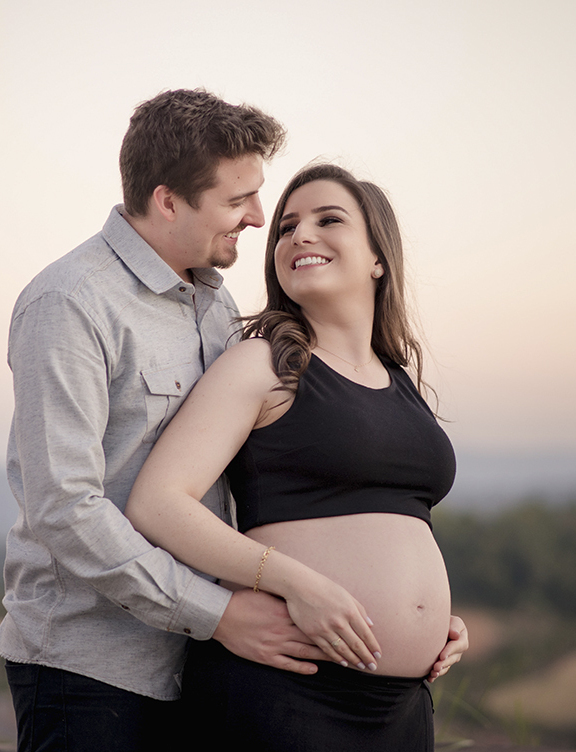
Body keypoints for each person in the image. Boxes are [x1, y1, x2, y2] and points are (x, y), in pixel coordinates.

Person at [0, 91, 467, 752]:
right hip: (94, 663)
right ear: (168, 200)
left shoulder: (213, 310)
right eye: (239, 199)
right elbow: (67, 508)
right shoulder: (71, 301)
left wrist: (424, 615)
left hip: (202, 653)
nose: (260, 218)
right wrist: (222, 613)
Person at [126, 162, 460, 751]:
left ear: (379, 256)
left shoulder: (402, 382)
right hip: (290, 689)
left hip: (401, 708)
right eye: (286, 227)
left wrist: (434, 620)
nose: (299, 235)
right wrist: (300, 584)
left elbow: (396, 526)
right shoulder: (266, 365)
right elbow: (157, 504)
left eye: (328, 219)